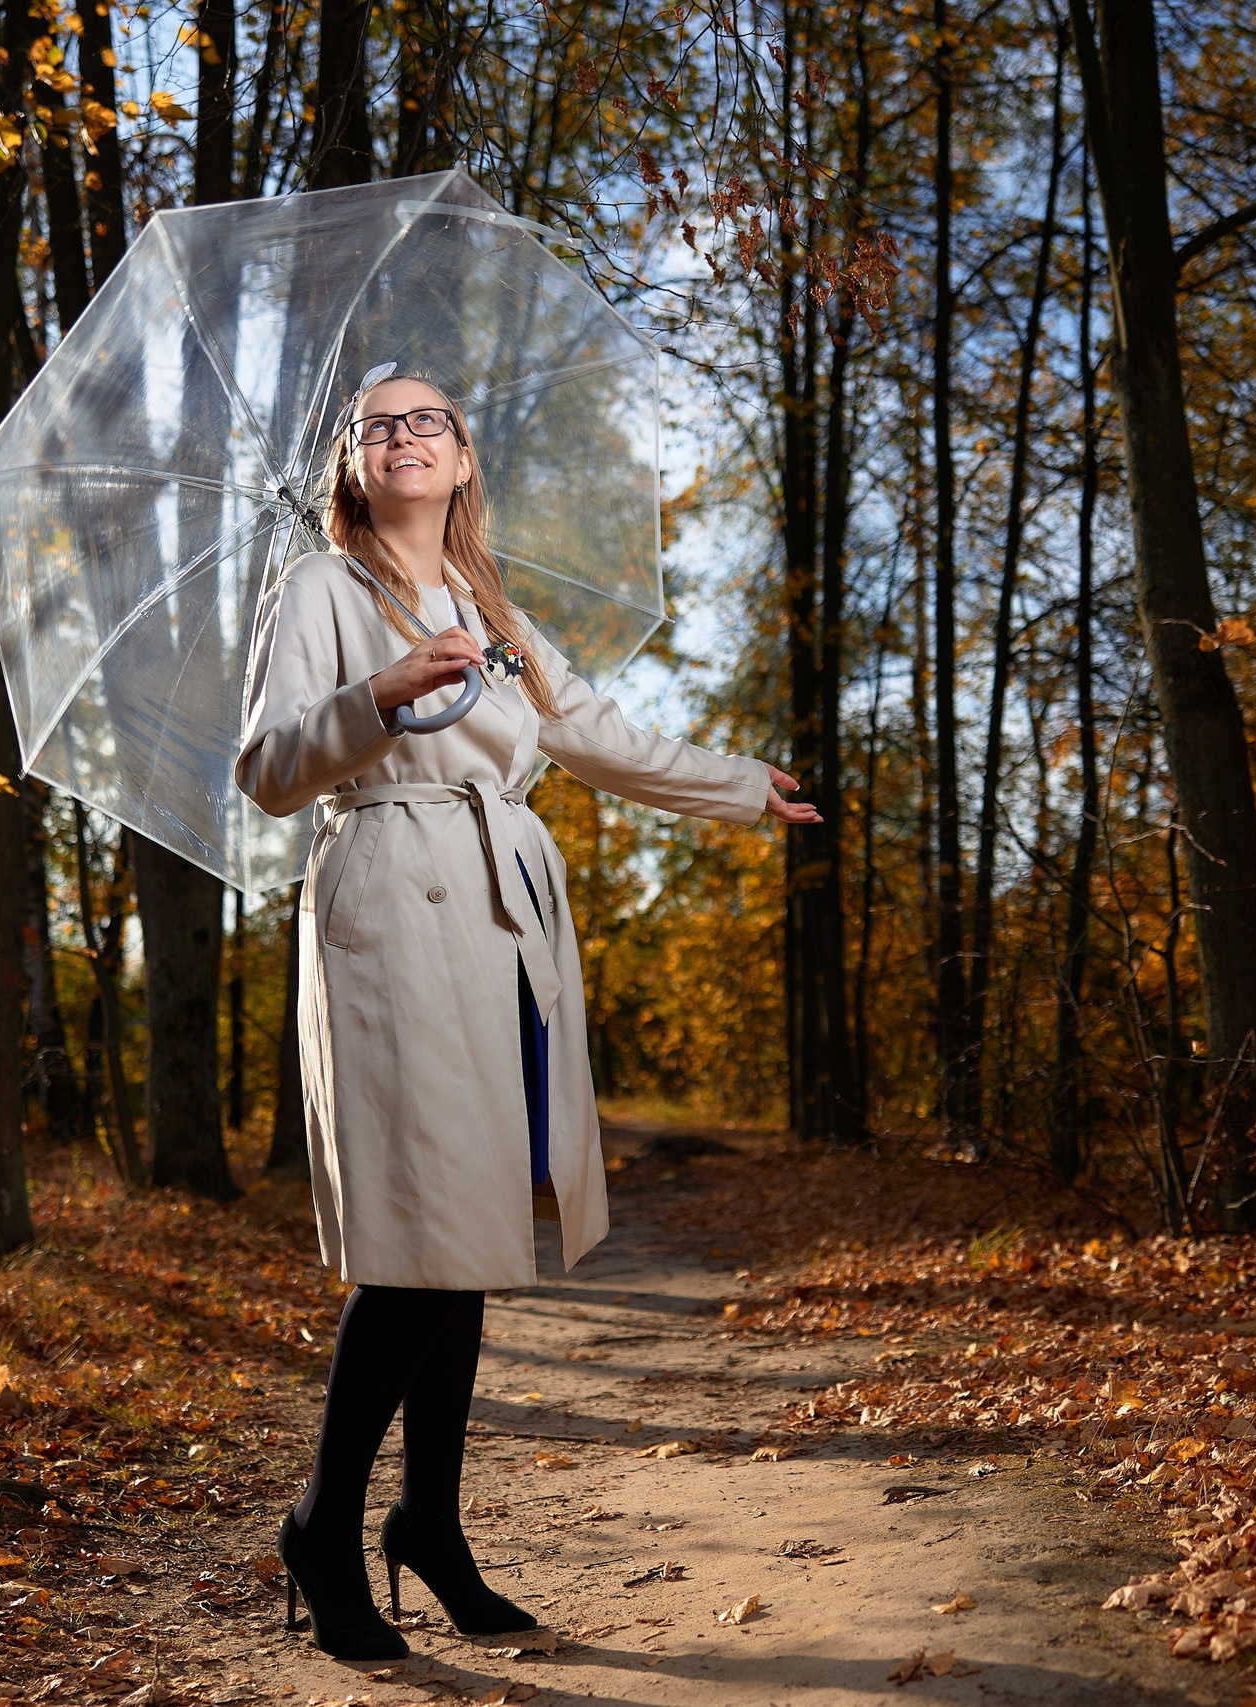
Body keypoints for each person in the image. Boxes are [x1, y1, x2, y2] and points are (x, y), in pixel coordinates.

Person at [234, 368, 818, 1660]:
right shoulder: (322, 591)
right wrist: (378, 696)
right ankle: (327, 1526)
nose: (405, 435)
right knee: (417, 1238)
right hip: (389, 905)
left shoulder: (492, 604)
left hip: (504, 920)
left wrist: (736, 786)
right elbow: (270, 770)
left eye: (429, 418)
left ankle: (429, 1523)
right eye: (378, 423)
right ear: (352, 462)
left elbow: (596, 733)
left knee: (482, 1225)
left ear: (463, 453)